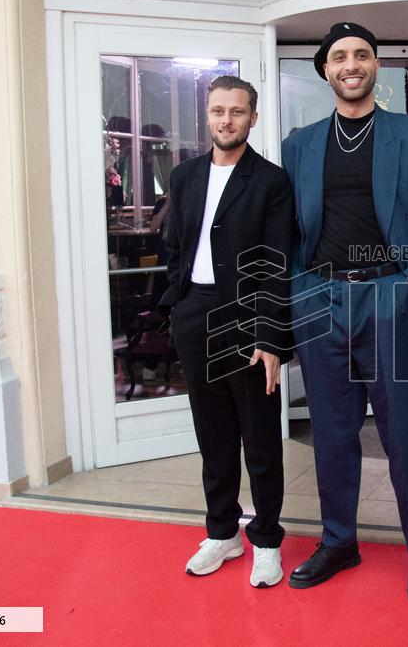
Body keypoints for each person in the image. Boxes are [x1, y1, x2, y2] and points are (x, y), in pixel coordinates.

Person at [281, 22, 408, 602]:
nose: (351, 64)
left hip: (386, 297)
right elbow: (290, 231)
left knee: (404, 435)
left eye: (362, 55)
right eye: (339, 57)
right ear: (325, 69)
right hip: (319, 300)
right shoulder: (299, 145)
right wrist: (298, 292)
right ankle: (339, 540)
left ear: (376, 65)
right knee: (331, 432)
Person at [158, 75, 294, 588]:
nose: (226, 120)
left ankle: (266, 539)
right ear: (207, 115)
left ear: (252, 118)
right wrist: (179, 302)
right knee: (212, 434)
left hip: (247, 318)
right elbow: (176, 246)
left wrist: (271, 338)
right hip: (195, 315)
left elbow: (278, 265)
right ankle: (223, 532)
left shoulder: (270, 181)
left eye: (237, 112)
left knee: (259, 438)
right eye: (218, 111)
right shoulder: (185, 176)